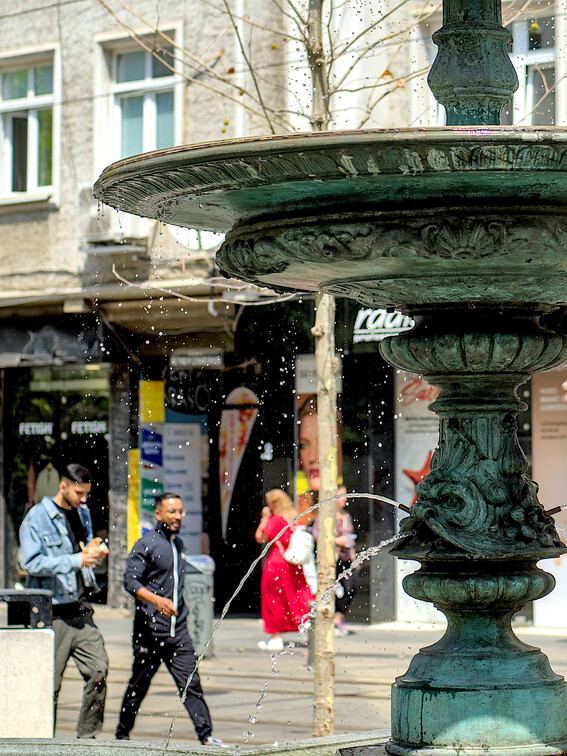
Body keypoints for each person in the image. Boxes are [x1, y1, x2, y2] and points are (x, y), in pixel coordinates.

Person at [116, 492, 223, 746]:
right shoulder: (147, 543)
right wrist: (157, 601)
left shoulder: (178, 545)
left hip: (178, 632)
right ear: (158, 513)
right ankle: (121, 735)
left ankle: (206, 737)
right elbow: (131, 582)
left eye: (180, 512)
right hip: (150, 632)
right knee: (138, 685)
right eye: (172, 512)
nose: (178, 516)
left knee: (191, 684)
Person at [19, 463, 109, 739]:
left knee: (98, 670)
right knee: (50, 685)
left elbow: (81, 553)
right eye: (79, 493)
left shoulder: (83, 513)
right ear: (62, 486)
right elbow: (31, 563)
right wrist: (76, 560)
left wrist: (93, 553)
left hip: (81, 609)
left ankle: (87, 738)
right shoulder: (37, 517)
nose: (83, 499)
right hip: (52, 613)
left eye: (87, 494)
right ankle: (43, 742)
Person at [255, 489, 314, 651]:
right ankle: (306, 624)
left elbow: (260, 537)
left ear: (274, 504)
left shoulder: (275, 520)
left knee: (273, 599)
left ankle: (275, 637)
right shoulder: (294, 519)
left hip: (276, 564)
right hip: (293, 564)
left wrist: (264, 518)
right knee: (296, 595)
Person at [312, 485, 358, 636]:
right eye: (342, 495)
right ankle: (327, 622)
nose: (345, 499)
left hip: (345, 558)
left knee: (351, 588)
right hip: (331, 560)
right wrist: (338, 541)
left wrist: (354, 558)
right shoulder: (325, 516)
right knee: (329, 590)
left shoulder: (346, 516)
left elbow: (350, 538)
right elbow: (318, 536)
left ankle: (338, 618)